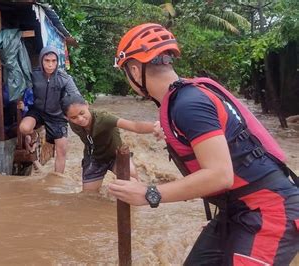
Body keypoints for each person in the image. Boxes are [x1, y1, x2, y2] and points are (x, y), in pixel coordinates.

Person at [109, 23, 299, 265]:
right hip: (238, 209)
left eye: (126, 72)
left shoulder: (188, 104)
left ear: (135, 71)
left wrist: (150, 194)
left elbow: (220, 175)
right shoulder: (184, 99)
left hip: (269, 211)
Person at [61, 94, 163, 191]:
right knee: (89, 196)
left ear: (87, 105)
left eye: (82, 113)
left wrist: (158, 127)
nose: (80, 119)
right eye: (73, 117)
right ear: (67, 117)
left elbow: (134, 126)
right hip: (94, 158)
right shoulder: (72, 123)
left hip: (117, 156)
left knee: (133, 181)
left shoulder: (104, 118)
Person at [18, 46, 81, 173]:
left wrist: (73, 114)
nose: (50, 64)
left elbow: (77, 98)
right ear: (41, 60)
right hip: (37, 112)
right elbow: (17, 82)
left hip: (57, 115)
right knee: (24, 128)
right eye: (47, 60)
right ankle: (34, 135)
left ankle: (57, 182)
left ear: (58, 62)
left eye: (54, 61)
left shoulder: (64, 78)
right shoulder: (33, 75)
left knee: (62, 150)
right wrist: (21, 102)